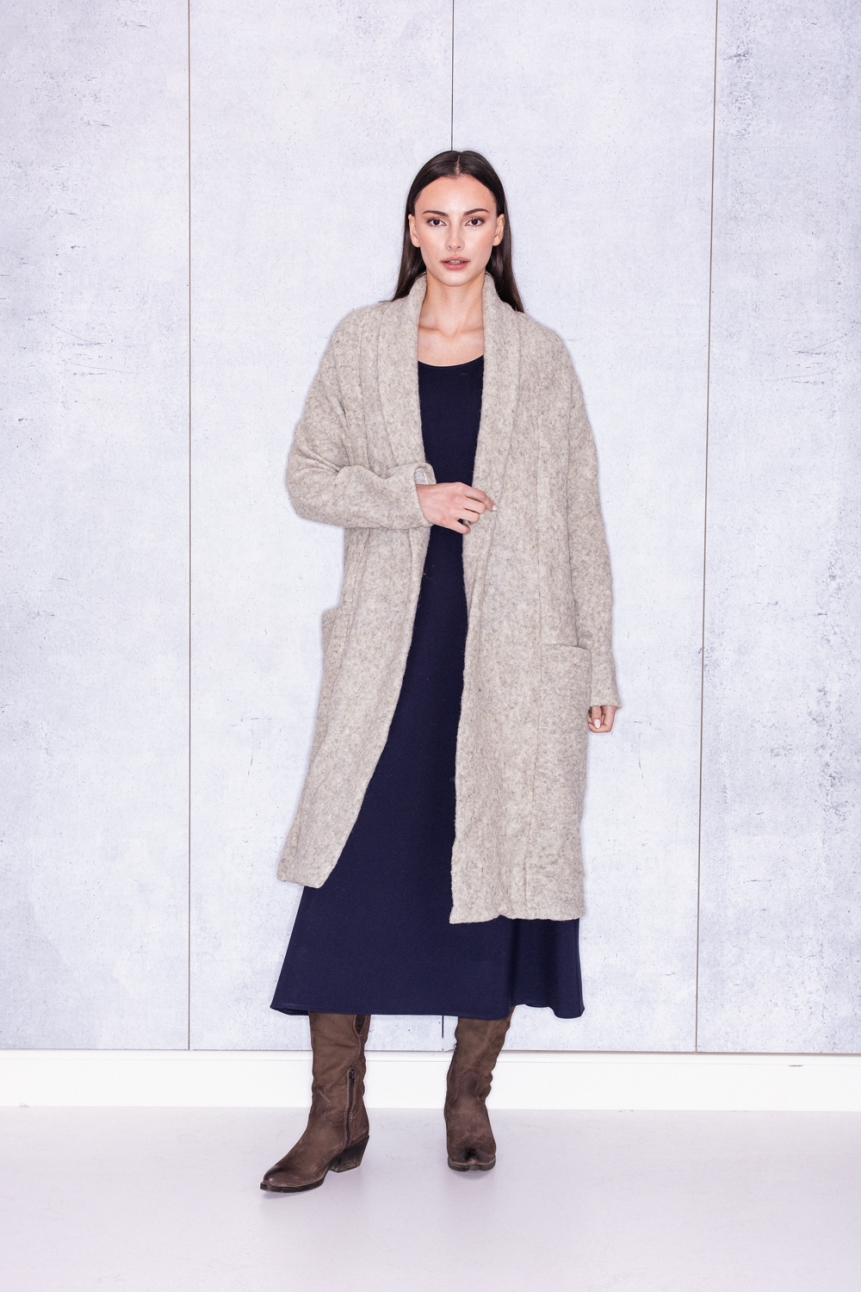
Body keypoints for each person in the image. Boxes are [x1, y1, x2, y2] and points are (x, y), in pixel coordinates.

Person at [261, 150, 620, 1194]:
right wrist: (409, 498)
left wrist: (596, 657)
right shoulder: (362, 342)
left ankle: (468, 1097)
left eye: (473, 218)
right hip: (393, 651)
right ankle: (335, 1113)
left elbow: (580, 515)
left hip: (514, 658)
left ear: (498, 231)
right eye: (435, 218)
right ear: (411, 229)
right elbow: (306, 476)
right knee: (351, 867)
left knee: (499, 866)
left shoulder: (540, 357)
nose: (454, 238)